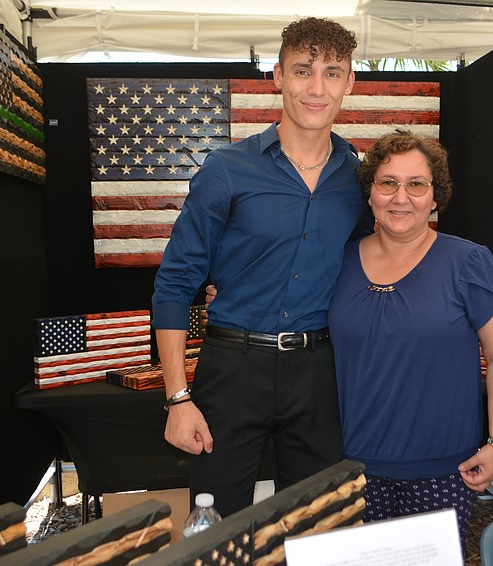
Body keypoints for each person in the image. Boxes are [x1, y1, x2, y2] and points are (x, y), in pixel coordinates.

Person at [151, 17, 372, 518]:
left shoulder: (360, 179)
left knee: (317, 524)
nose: (317, 88)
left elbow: (372, 268)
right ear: (277, 76)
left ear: (350, 83)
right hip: (232, 370)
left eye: (332, 73)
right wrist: (177, 397)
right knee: (216, 526)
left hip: (319, 370)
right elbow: (175, 283)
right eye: (302, 71)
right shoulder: (228, 169)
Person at [327, 130, 493, 546]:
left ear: (436, 197)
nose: (401, 197)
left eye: (416, 184)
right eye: (388, 183)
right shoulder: (337, 261)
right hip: (348, 469)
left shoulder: (468, 261)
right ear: (370, 194)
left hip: (442, 473)